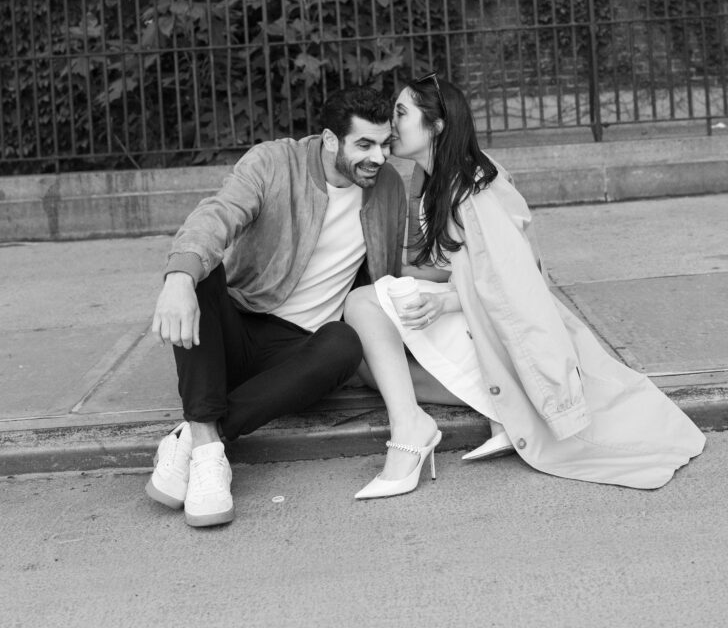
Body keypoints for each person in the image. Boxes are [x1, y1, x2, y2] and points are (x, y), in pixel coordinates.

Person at [344, 73, 705, 499]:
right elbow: (462, 265)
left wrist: (443, 304)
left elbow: (511, 281)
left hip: (498, 321)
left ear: (436, 125)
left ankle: (418, 432)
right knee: (367, 365)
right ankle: (503, 408)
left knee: (363, 305)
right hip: (477, 314)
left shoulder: (472, 189)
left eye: (401, 112)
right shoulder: (437, 181)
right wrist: (403, 272)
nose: (391, 122)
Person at [146, 86, 406, 526]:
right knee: (204, 273)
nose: (378, 157)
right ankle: (209, 450)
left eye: (385, 144)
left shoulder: (389, 188)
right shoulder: (274, 162)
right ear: (329, 140)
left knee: (345, 341)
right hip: (238, 326)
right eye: (364, 144)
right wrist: (178, 277)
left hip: (298, 355)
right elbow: (218, 214)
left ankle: (196, 435)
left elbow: (404, 264)